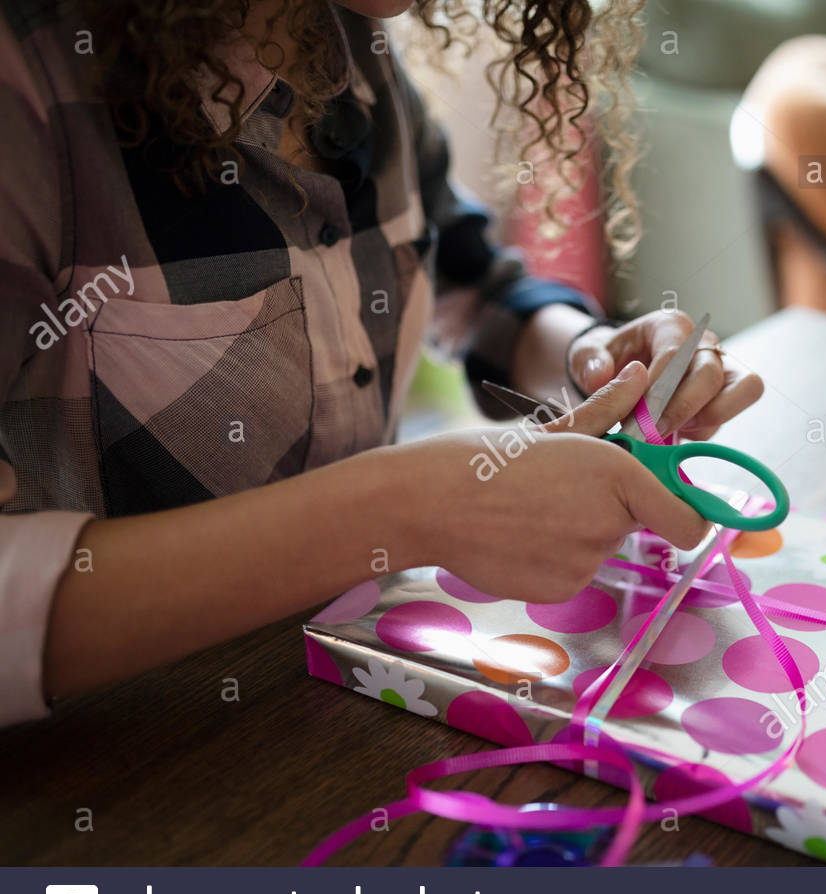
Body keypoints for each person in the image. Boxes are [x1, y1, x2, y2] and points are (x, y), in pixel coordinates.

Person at [0, 0, 763, 726]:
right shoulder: (27, 87)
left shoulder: (348, 40)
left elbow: (467, 277)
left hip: (332, 711)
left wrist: (588, 353)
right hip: (125, 782)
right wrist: (411, 508)